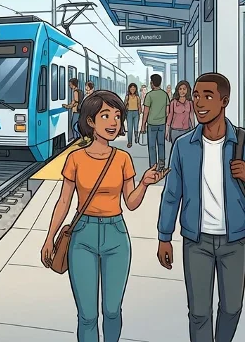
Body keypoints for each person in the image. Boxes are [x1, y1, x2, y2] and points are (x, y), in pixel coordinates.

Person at [41, 90, 166, 342]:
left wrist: (144, 183)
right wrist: (49, 237)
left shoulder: (123, 159)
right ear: (90, 121)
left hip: (116, 235)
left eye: (117, 116)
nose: (113, 122)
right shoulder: (75, 159)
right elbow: (64, 201)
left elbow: (131, 203)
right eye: (106, 115)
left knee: (112, 311)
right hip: (82, 236)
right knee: (87, 315)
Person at [157, 72, 245, 342]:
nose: (199, 102)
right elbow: (172, 194)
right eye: (196, 96)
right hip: (196, 242)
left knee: (232, 308)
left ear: (224, 101)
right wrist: (164, 236)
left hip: (236, 241)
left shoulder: (242, 143)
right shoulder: (184, 146)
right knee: (198, 312)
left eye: (208, 96)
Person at [140, 73, 170, 170]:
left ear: (152, 83)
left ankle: (153, 165)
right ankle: (161, 163)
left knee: (152, 146)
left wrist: (143, 125)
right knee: (161, 144)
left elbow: (146, 112)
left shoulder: (149, 95)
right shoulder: (164, 94)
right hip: (162, 124)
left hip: (151, 124)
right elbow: (167, 111)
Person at [166, 80, 194, 151]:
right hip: (175, 130)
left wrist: (193, 129)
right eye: (180, 89)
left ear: (187, 90)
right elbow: (170, 116)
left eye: (184, 89)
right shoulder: (173, 102)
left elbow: (191, 116)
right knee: (175, 149)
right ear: (177, 90)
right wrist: (167, 130)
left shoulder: (190, 103)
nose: (182, 91)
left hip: (186, 130)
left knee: (185, 149)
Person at [63, 78, 83, 142]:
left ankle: (77, 139)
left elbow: (75, 102)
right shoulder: (80, 91)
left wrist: (68, 106)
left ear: (73, 85)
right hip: (79, 111)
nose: (69, 86)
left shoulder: (75, 92)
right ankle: (79, 139)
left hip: (76, 111)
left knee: (73, 126)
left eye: (70, 84)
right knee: (76, 126)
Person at [123, 83, 141, 148]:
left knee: (136, 127)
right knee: (130, 128)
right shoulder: (127, 97)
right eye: (131, 88)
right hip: (129, 113)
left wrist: (139, 113)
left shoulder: (137, 97)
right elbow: (124, 105)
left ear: (136, 89)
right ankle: (129, 142)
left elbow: (139, 106)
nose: (132, 89)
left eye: (134, 88)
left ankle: (136, 137)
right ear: (129, 89)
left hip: (136, 113)